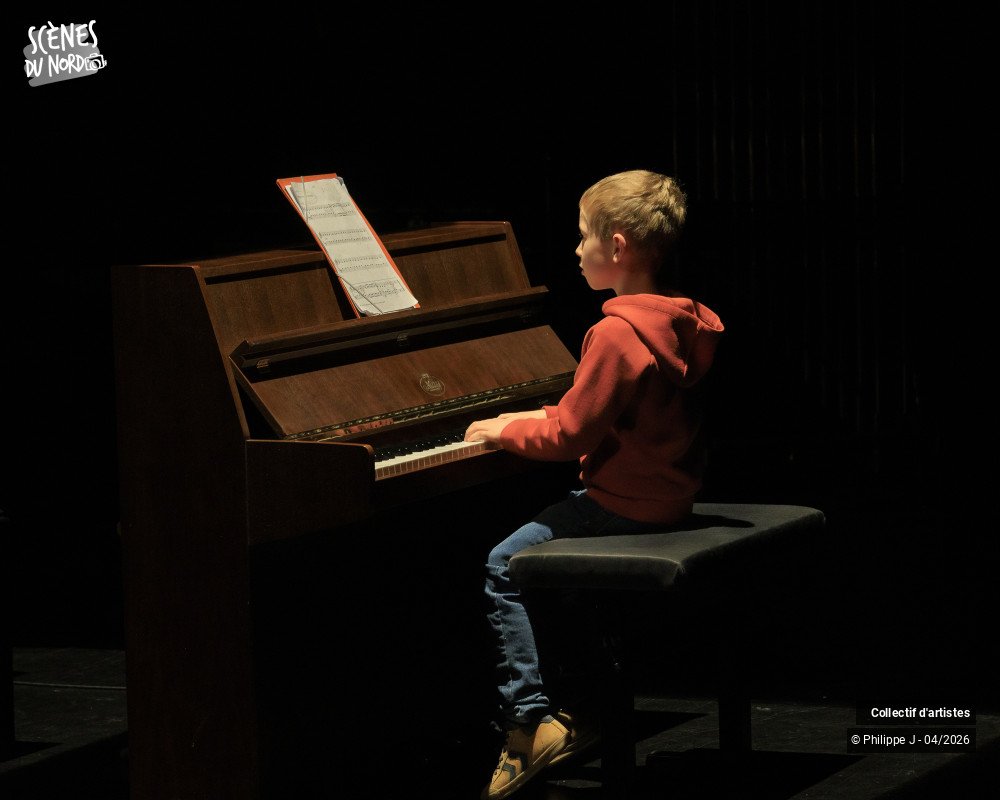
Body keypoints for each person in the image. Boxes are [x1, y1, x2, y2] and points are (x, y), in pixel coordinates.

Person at [464, 169, 725, 800]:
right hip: (668, 497)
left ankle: (529, 725)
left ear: (617, 246)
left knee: (504, 563)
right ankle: (584, 697)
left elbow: (569, 437)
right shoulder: (681, 323)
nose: (574, 250)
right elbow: (595, 417)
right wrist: (527, 417)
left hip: (621, 505)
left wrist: (502, 433)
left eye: (582, 236)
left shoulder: (614, 332)